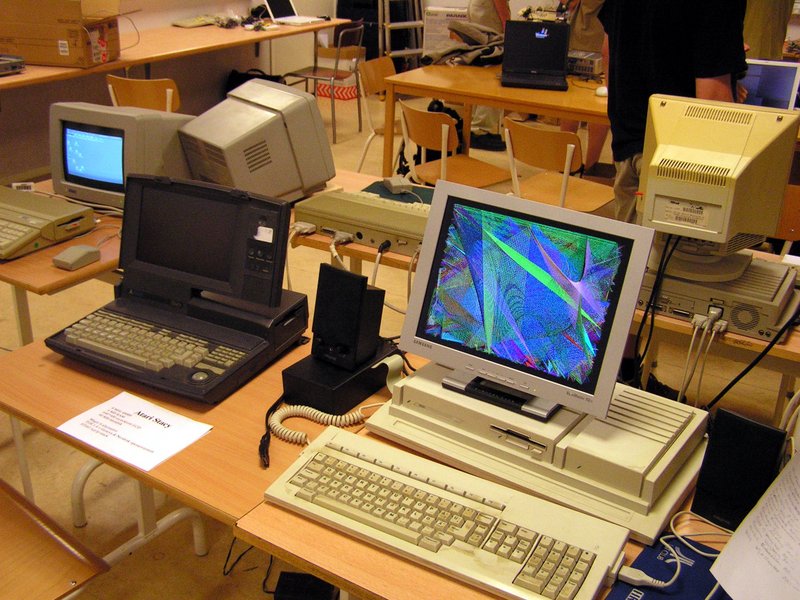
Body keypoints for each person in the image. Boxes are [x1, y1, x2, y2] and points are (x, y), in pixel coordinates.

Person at [597, 0, 747, 223]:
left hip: (628, 145)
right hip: (680, 161)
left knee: (634, 242)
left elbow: (608, 52)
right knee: (674, 247)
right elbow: (713, 100)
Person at [559, 0, 611, 175]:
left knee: (571, 102)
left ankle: (567, 165)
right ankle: (590, 168)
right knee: (598, 106)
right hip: (600, 35)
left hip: (581, 35)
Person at [467, 0, 510, 151]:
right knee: (493, 74)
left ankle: (476, 126)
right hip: (489, 16)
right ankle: (481, 129)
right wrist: (508, 27)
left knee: (481, 74)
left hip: (478, 11)